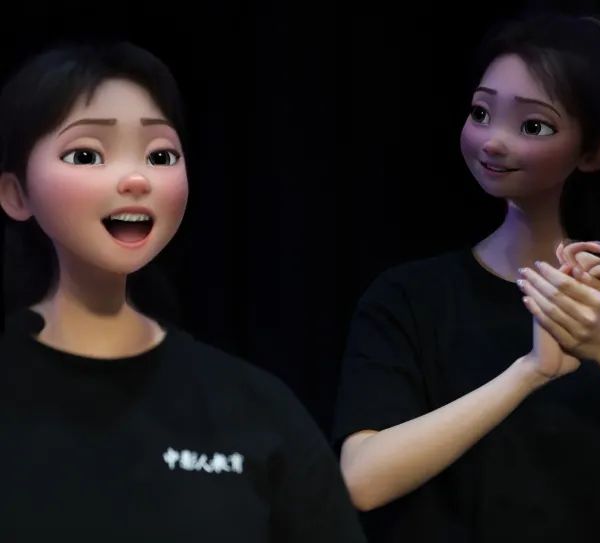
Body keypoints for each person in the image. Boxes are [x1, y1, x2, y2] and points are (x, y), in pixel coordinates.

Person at [334, 14, 600, 542]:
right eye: (481, 113)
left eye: (532, 126)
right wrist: (530, 372)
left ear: (594, 153)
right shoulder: (410, 297)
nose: (492, 142)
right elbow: (361, 480)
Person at [0, 41, 367, 542]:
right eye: (86, 154)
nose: (136, 179)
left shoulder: (253, 404)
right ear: (15, 194)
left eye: (160, 155)